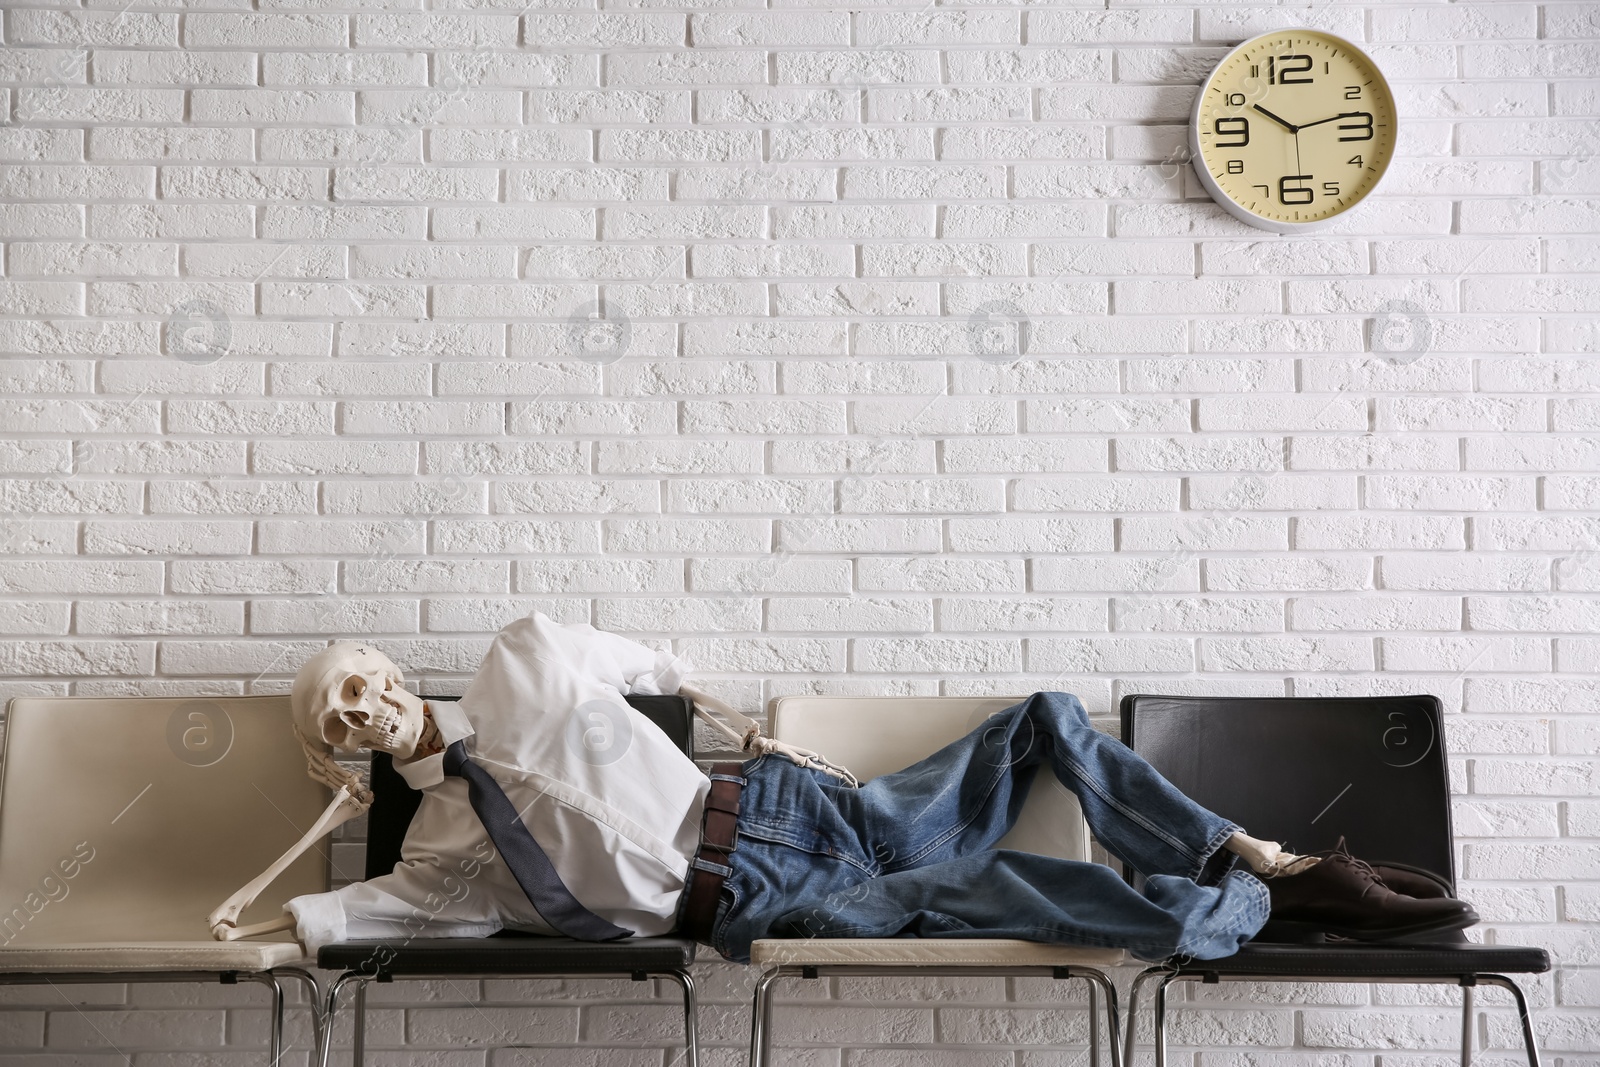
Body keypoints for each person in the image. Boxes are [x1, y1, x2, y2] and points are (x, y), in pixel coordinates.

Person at [279, 613, 1476, 963]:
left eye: (359, 677)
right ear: (344, 750)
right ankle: (1259, 904)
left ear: (389, 666)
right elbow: (361, 916)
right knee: (1056, 891)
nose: (364, 703)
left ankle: (1256, 857)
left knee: (1049, 714)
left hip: (808, 809)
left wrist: (678, 683)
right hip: (771, 906)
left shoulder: (520, 657)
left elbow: (644, 662)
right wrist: (288, 912)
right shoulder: (438, 850)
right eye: (340, 715)